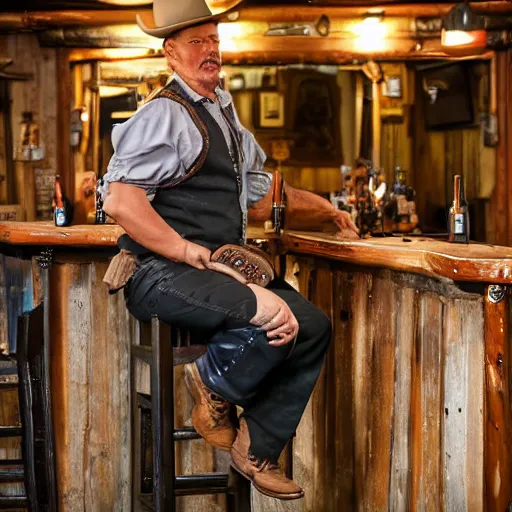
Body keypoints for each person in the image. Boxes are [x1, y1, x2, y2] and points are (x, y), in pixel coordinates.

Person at [102, 0, 359, 501]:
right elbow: (120, 199)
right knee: (274, 315)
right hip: (159, 274)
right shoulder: (163, 114)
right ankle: (214, 381)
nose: (210, 50)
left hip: (213, 270)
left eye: (215, 40)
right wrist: (181, 248)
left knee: (311, 326)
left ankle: (256, 443)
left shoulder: (222, 113)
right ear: (171, 53)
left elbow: (261, 198)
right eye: (197, 42)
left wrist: (326, 209)